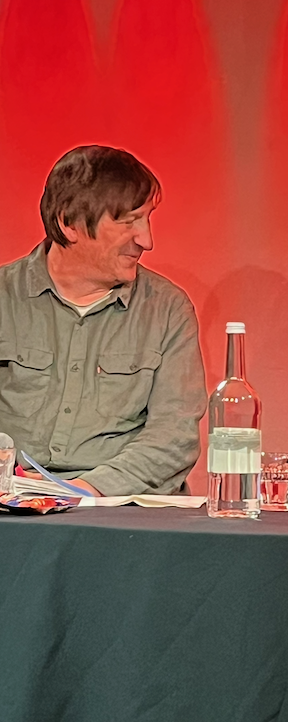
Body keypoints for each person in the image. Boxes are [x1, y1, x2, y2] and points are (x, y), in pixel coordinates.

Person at [0, 145, 206, 496]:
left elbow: (173, 438)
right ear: (68, 223)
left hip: (118, 508)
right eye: (128, 222)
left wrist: (82, 489)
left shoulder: (167, 309)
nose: (146, 240)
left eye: (146, 219)